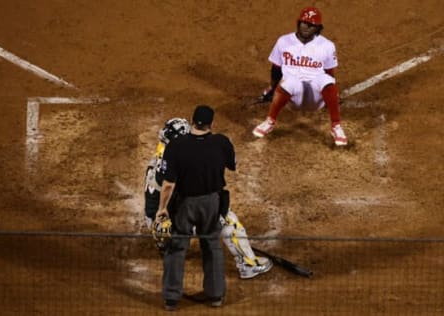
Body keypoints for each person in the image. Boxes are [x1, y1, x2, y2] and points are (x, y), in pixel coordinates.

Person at [144, 118, 272, 280]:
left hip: (156, 223)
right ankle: (248, 264)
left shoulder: (160, 156)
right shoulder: (177, 162)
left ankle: (164, 245)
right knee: (226, 218)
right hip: (173, 220)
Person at [155, 105, 234, 311]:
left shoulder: (176, 146)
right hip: (212, 202)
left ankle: (172, 299)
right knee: (212, 246)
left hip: (185, 204)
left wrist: (162, 209)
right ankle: (216, 296)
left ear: (192, 121)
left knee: (177, 246)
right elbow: (232, 164)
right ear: (211, 123)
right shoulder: (222, 143)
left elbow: (169, 184)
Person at [253, 6, 348, 146]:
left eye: (311, 25)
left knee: (327, 80)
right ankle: (270, 121)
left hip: (316, 97)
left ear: (318, 28)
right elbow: (276, 69)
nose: (307, 27)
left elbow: (329, 73)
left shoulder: (327, 45)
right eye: (304, 23)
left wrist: (333, 95)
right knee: (288, 81)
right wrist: (271, 88)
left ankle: (336, 126)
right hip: (291, 98)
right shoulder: (283, 41)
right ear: (299, 23)